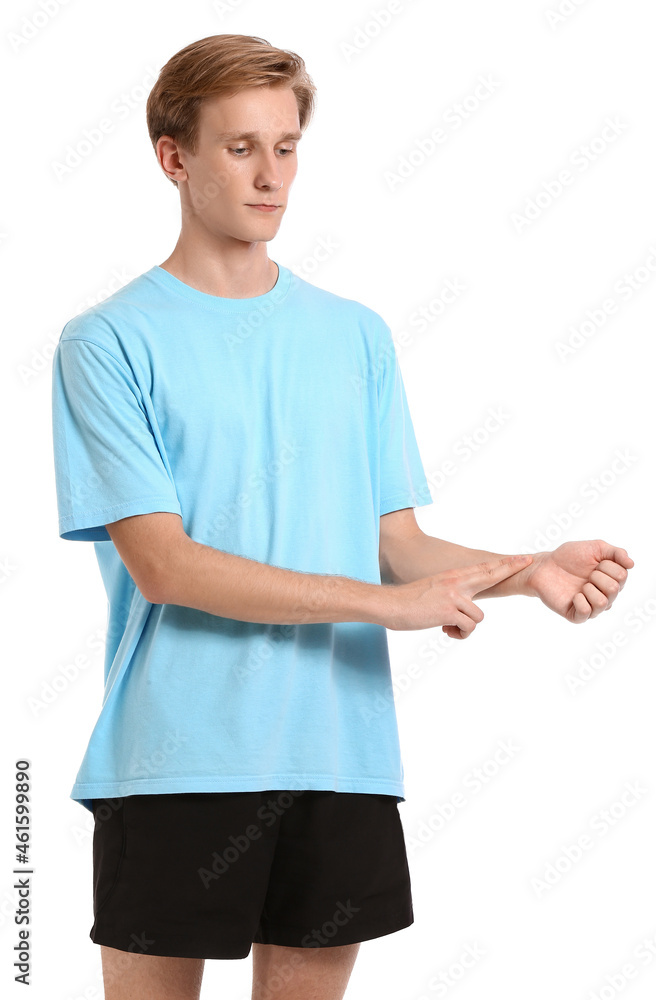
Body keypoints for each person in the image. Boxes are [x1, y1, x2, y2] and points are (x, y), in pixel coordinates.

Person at [50, 32, 634, 1000]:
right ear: (173, 156)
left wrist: (526, 569)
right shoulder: (107, 342)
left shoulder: (353, 335)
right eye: (239, 147)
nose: (271, 174)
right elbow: (166, 565)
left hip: (339, 751)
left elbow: (393, 543)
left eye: (285, 146)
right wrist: (379, 604)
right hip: (177, 757)